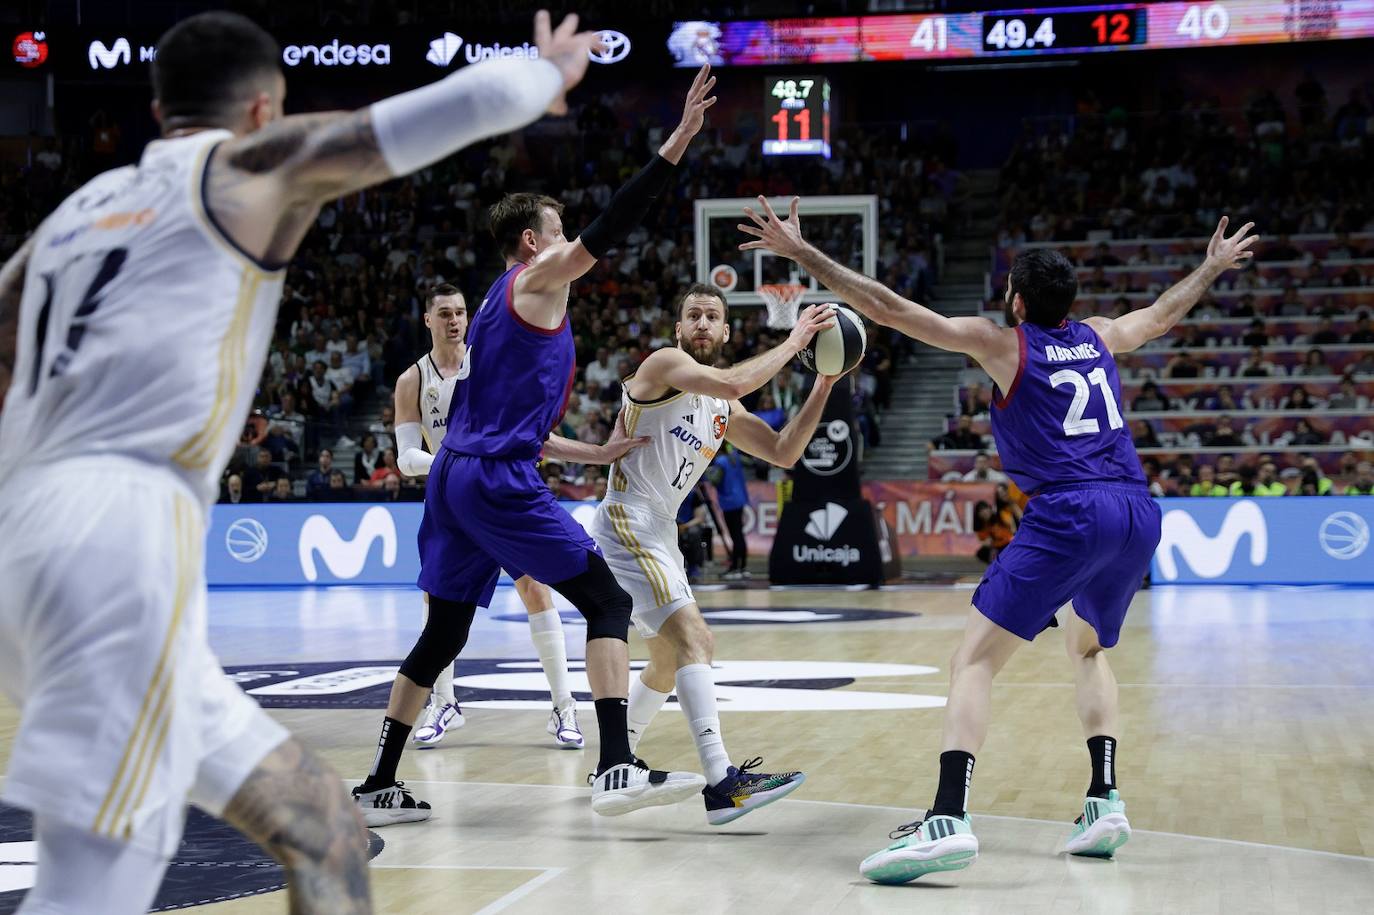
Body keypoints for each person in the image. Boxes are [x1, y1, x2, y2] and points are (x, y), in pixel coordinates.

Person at [0, 9, 603, 913]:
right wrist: (541, 74)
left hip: (29, 528)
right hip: (111, 537)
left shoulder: (69, 221)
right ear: (262, 107)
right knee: (87, 895)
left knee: (326, 828)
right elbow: (402, 128)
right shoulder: (237, 168)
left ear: (159, 103)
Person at [742, 198, 1256, 881]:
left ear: (1016, 301)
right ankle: (1104, 799)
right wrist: (1210, 267)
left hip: (1070, 509)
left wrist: (804, 254)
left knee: (973, 661)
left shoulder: (1001, 342)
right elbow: (1160, 315)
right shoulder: (1098, 333)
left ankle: (946, 817)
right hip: (1136, 509)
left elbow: (891, 310)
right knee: (1088, 647)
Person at [362, 64, 720, 824]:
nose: (570, 238)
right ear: (533, 242)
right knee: (606, 597)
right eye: (559, 229)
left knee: (445, 630)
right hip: (494, 481)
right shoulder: (538, 278)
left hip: (458, 476)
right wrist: (679, 140)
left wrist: (593, 455)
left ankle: (380, 781)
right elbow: (616, 224)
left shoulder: (493, 301)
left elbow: (499, 420)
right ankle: (617, 762)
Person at [590, 282, 834, 824]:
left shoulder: (722, 406)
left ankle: (614, 762)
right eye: (693, 315)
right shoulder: (664, 364)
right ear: (679, 330)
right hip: (628, 519)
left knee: (667, 658)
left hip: (660, 532)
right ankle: (722, 781)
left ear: (725, 331)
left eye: (712, 317)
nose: (702, 323)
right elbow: (732, 377)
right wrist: (796, 341)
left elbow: (784, 451)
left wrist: (823, 383)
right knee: (697, 639)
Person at [379, 282, 585, 755]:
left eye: (461, 311)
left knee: (535, 588)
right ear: (428, 320)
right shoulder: (412, 380)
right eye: (445, 313)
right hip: (452, 499)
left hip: (500, 495)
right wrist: (459, 463)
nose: (455, 320)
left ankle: (564, 706)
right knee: (439, 605)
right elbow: (408, 457)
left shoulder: (487, 362)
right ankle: (445, 703)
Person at [711, 442, 751, 579]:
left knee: (735, 535)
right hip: (739, 499)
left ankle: (735, 568)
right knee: (739, 534)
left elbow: (714, 480)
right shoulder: (735, 457)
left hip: (729, 501)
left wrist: (705, 470)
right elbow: (750, 462)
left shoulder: (721, 461)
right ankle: (742, 567)